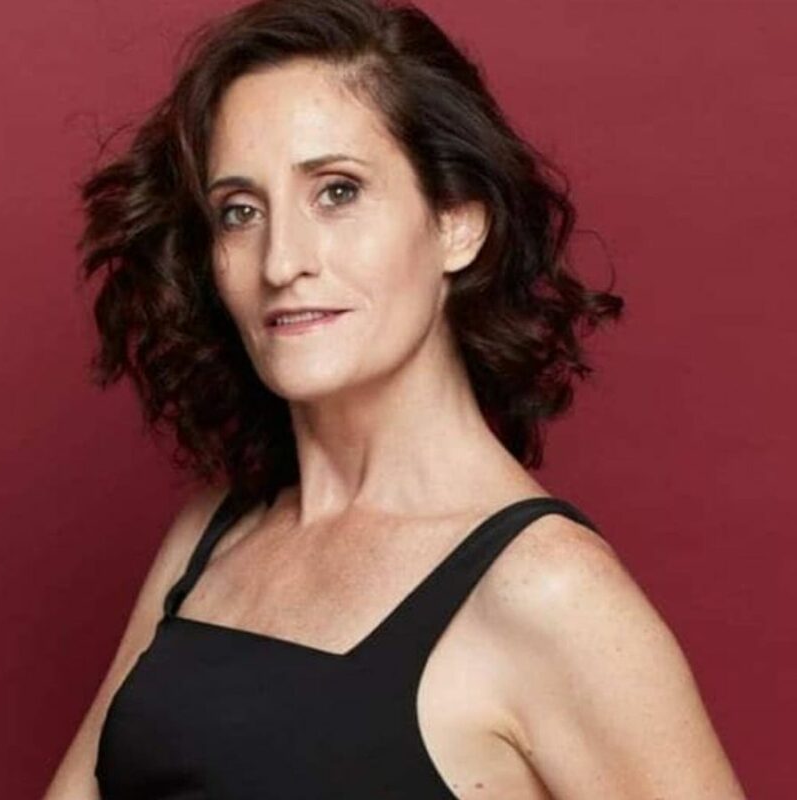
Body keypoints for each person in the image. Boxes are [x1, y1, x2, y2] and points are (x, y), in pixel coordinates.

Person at [44, 0, 746, 797]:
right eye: (239, 211)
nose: (281, 261)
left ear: (456, 224)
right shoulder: (213, 535)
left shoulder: (549, 591)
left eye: (336, 192)